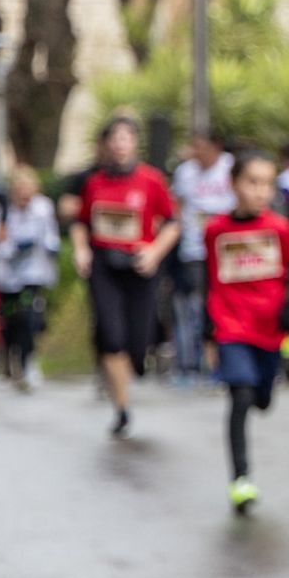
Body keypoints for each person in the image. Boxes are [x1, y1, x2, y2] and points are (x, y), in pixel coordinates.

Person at [204, 149, 289, 512]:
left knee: (261, 399)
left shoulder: (278, 227)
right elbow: (208, 278)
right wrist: (207, 327)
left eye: (267, 184)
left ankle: (264, 390)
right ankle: (241, 478)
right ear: (233, 184)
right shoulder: (215, 230)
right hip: (231, 327)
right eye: (253, 182)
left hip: (269, 329)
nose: (261, 191)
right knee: (241, 395)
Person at [70, 117, 179, 436]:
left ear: (135, 143)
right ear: (106, 144)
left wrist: (154, 252)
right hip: (104, 267)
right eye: (114, 138)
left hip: (139, 267)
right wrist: (81, 250)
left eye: (126, 137)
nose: (120, 144)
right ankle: (121, 407)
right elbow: (80, 222)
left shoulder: (151, 180)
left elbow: (172, 223)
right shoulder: (94, 183)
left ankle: (137, 362)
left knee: (137, 342)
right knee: (111, 336)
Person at [171, 130, 236, 383]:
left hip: (228, 249)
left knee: (223, 306)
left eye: (201, 147)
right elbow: (176, 206)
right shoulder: (185, 172)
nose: (196, 153)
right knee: (196, 307)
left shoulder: (230, 166)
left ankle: (223, 361)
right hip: (194, 250)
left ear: (216, 146)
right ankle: (192, 364)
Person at [0, 165, 59, 388]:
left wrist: (50, 248)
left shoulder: (42, 207)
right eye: (20, 189)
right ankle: (10, 358)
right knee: (10, 320)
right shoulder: (1, 211)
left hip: (34, 274)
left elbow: (51, 237)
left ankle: (28, 360)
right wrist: (11, 247)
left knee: (30, 317)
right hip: (7, 277)